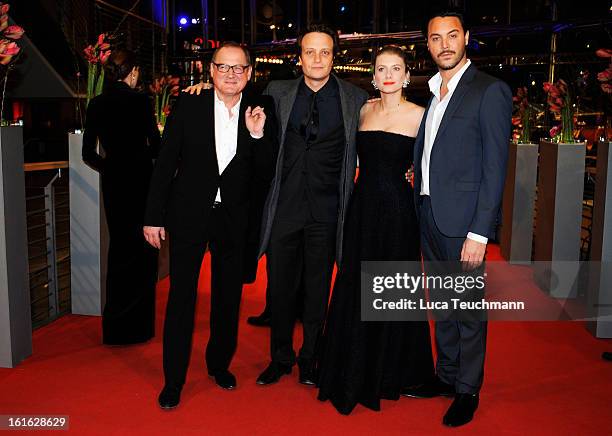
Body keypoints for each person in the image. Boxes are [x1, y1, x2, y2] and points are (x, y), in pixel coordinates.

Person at [143, 41, 277, 409]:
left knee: (227, 298)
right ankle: (173, 380)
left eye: (239, 68)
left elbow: (266, 173)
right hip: (188, 215)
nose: (231, 74)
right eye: (224, 67)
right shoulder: (189, 104)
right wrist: (153, 216)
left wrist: (257, 135)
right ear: (211, 71)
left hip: (235, 219)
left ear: (249, 73)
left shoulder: (263, 108)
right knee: (181, 297)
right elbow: (165, 161)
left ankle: (219, 365)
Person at [402, 11, 512, 428]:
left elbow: (494, 168)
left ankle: (468, 389)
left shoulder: (490, 91)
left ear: (466, 38)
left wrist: (480, 232)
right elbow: (441, 152)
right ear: (427, 45)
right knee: (443, 305)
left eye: (452, 36)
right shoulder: (432, 92)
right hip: (429, 212)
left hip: (465, 223)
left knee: (467, 309)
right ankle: (446, 377)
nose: (444, 44)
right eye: (435, 38)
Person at [316, 45, 435, 415]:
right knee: (356, 281)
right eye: (381, 68)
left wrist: (417, 180)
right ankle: (351, 364)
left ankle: (389, 371)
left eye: (395, 68)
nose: (388, 74)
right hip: (363, 209)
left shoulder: (421, 115)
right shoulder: (363, 110)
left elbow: (433, 163)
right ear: (373, 76)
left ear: (405, 75)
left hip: (399, 212)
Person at [256, 24, 368, 386]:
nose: (317, 59)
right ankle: (280, 357)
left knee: (318, 290)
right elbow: (234, 96)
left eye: (325, 52)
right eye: (310, 52)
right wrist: (202, 89)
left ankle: (310, 358)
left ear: (334, 57)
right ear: (299, 57)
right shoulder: (277, 92)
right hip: (285, 206)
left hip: (327, 210)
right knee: (280, 289)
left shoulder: (355, 98)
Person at [82, 48, 160, 346]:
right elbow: (156, 144)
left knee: (119, 251)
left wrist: (112, 168)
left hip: (114, 184)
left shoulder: (97, 104)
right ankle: (138, 328)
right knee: (143, 252)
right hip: (141, 181)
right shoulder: (141, 101)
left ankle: (115, 329)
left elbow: (88, 153)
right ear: (133, 71)